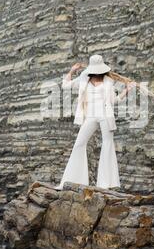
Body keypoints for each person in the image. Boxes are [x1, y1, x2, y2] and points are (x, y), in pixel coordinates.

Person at [55, 54, 137, 190]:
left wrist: (126, 91)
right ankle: (72, 181)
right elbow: (65, 86)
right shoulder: (83, 79)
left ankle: (106, 184)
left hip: (106, 115)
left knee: (107, 145)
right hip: (90, 117)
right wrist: (71, 71)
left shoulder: (109, 81)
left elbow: (114, 101)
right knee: (79, 144)